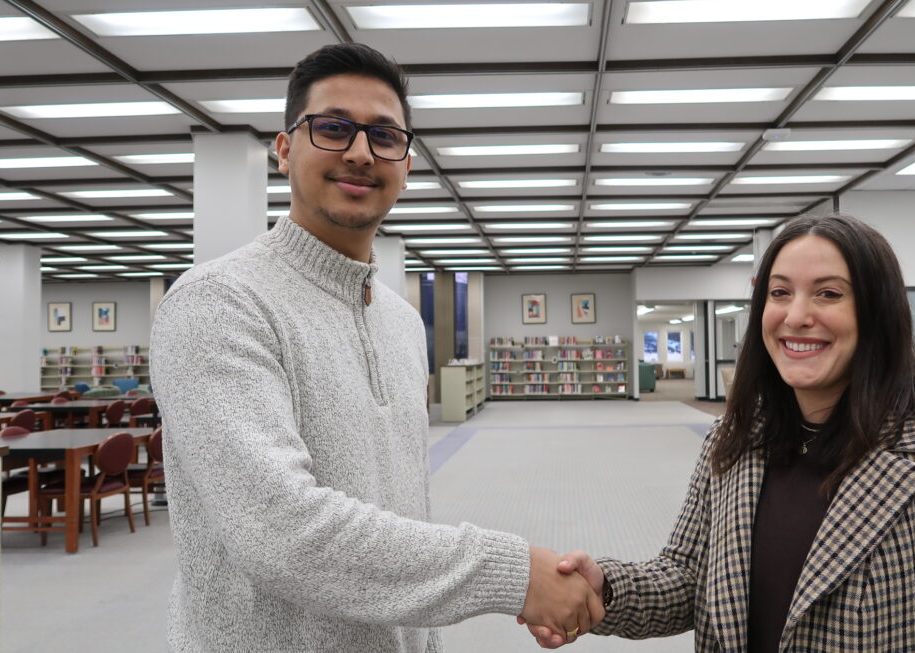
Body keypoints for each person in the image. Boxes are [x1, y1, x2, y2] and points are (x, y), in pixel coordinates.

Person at [150, 43, 601, 653]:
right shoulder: (218, 303)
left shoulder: (400, 321)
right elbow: (280, 531)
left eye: (385, 137)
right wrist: (514, 575)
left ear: (406, 164)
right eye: (333, 128)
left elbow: (406, 509)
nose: (361, 152)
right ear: (284, 150)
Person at [521, 214, 915, 651]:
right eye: (780, 293)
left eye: (828, 294)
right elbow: (688, 578)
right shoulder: (734, 442)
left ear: (876, 314)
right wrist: (605, 589)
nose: (796, 315)